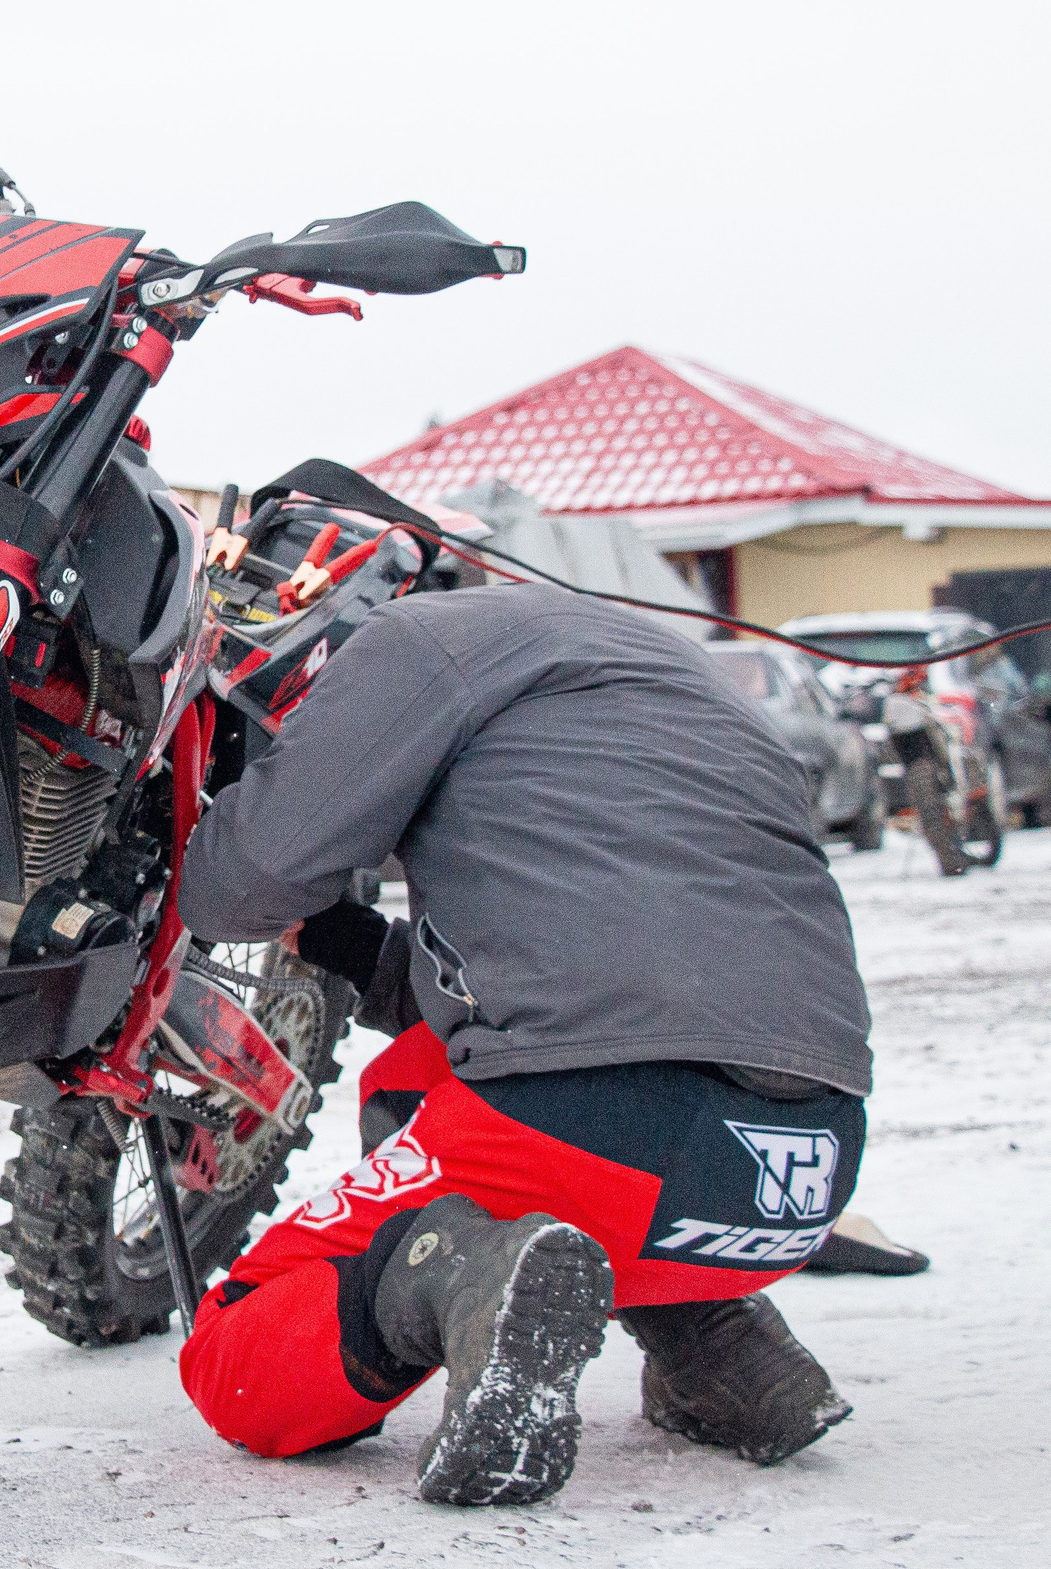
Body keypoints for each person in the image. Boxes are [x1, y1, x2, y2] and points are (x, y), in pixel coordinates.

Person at [176, 582, 870, 1507]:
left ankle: (461, 1273)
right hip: (801, 1172)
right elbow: (599, 977)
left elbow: (233, 885)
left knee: (228, 1355)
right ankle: (719, 1343)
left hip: (588, 1134)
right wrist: (345, 941)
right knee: (436, 1072)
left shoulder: (414, 643)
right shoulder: (679, 669)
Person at [881, 665, 969, 876]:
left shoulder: (920, 699)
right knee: (932, 817)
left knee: (943, 814)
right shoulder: (899, 704)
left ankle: (955, 857)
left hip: (932, 764)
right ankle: (949, 862)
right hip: (919, 765)